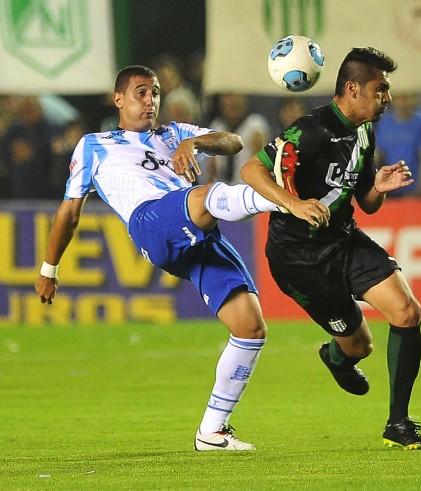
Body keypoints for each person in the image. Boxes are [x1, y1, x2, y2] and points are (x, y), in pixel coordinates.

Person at [34, 65, 282, 452]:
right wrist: (49, 268)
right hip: (151, 222)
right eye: (140, 93)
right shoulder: (94, 144)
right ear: (118, 99)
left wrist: (195, 144)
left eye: (155, 93)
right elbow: (70, 211)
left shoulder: (175, 133)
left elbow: (233, 142)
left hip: (196, 231)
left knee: (249, 327)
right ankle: (286, 201)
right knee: (205, 195)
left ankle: (212, 433)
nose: (150, 101)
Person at [241, 47, 421, 449]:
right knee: (359, 345)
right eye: (381, 89)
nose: (387, 98)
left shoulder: (365, 132)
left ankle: (398, 425)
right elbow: (251, 169)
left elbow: (365, 201)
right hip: (298, 259)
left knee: (407, 312)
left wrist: (377, 188)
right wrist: (293, 203)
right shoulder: (310, 130)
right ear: (353, 89)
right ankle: (338, 356)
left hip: (343, 240)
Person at [374, 92, 421, 197]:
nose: (403, 102)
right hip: (389, 188)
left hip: (413, 187)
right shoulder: (384, 123)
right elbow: (377, 155)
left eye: (406, 98)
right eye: (399, 98)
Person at [207, 94, 270, 184]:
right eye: (228, 105)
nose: (231, 108)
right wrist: (209, 184)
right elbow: (211, 164)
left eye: (235, 105)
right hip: (221, 184)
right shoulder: (217, 125)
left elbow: (259, 159)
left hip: (245, 183)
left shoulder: (255, 123)